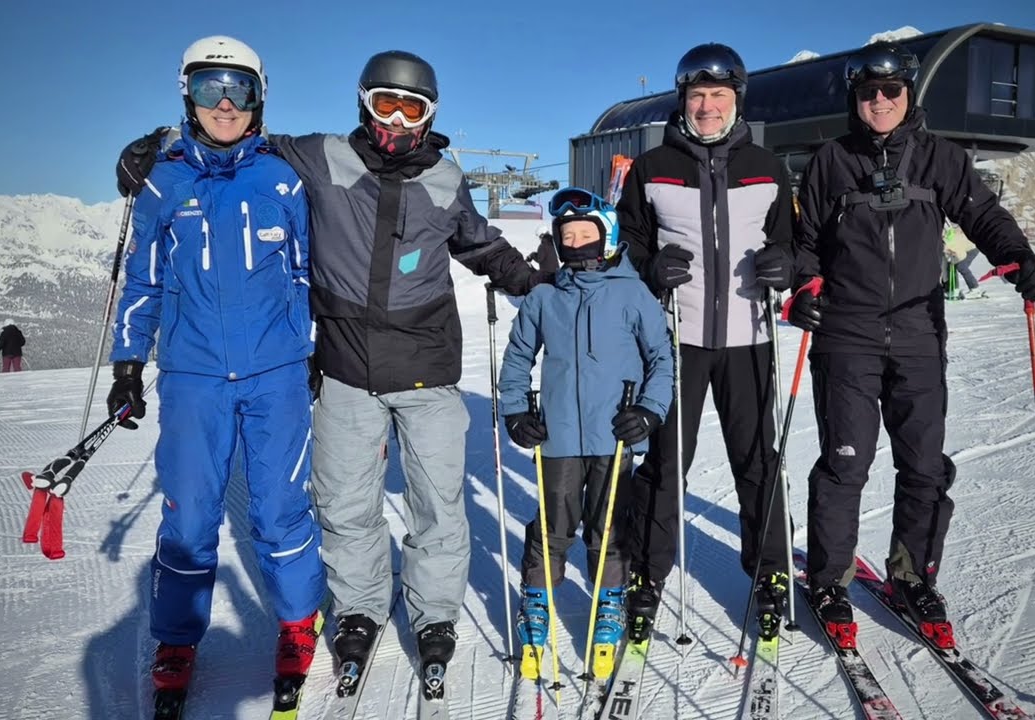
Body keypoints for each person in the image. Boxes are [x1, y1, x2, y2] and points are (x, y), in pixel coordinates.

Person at [116, 49, 545, 675]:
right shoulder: (318, 155)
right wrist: (151, 148)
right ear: (363, 103)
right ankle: (360, 606)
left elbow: (483, 247)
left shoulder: (449, 180)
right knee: (346, 505)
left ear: (430, 116)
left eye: (412, 108)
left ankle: (434, 613)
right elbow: (234, 137)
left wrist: (537, 280)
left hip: (427, 369)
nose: (396, 121)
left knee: (438, 504)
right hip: (345, 368)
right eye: (384, 104)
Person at [789, 41, 1035, 639]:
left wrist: (1017, 255)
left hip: (917, 332)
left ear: (908, 94)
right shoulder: (830, 160)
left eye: (890, 91)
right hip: (846, 335)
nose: (879, 102)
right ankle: (829, 579)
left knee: (924, 467)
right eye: (867, 93)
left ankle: (911, 575)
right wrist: (804, 287)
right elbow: (806, 242)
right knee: (844, 463)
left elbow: (982, 214)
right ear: (854, 98)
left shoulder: (942, 158)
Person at [105, 36, 328, 696]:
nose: (225, 103)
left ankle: (295, 624)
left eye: (240, 89)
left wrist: (313, 347)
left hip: (276, 374)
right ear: (187, 95)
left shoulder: (284, 179)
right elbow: (141, 282)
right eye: (209, 88)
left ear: (260, 98)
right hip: (193, 377)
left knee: (282, 507)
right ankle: (177, 640)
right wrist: (126, 363)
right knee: (191, 512)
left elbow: (310, 271)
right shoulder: (163, 180)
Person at [614, 43, 797, 641]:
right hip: (677, 341)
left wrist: (784, 264)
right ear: (683, 100)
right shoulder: (652, 167)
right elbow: (628, 247)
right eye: (698, 96)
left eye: (720, 96)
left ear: (736, 100)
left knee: (758, 461)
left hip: (750, 338)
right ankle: (646, 574)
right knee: (667, 463)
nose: (709, 106)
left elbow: (791, 244)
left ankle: (770, 573)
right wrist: (649, 267)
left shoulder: (768, 166)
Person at [498, 188, 673, 677]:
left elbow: (663, 359)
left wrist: (649, 411)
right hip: (556, 439)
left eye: (585, 234)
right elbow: (517, 360)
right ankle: (537, 602)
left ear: (607, 237)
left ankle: (610, 601)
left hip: (614, 434)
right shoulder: (544, 296)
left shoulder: (633, 293)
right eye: (566, 236)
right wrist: (516, 412)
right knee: (553, 527)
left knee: (609, 529)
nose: (576, 244)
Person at [944, 223, 986, 299]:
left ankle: (975, 289)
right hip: (962, 247)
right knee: (951, 266)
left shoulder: (948, 243)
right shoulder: (943, 242)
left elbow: (960, 254)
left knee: (961, 266)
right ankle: (953, 289)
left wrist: (952, 261)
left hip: (972, 247)